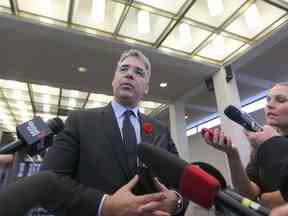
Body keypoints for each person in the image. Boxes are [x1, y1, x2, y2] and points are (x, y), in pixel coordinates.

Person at [41, 49, 187, 216]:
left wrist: (176, 201)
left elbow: (184, 181)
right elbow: (48, 184)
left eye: (138, 72)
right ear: (113, 79)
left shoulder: (161, 131)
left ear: (146, 87)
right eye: (123, 69)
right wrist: (104, 205)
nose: (129, 74)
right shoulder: (79, 121)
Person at [202, 82, 288, 209]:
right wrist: (232, 154)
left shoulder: (269, 143)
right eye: (268, 100)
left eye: (280, 100)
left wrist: (271, 142)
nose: (269, 105)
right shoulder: (263, 146)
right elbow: (248, 194)